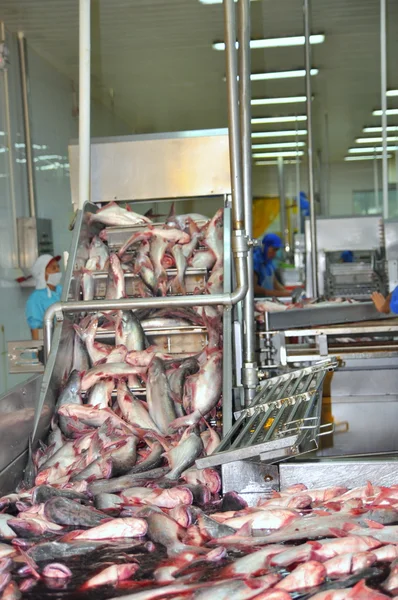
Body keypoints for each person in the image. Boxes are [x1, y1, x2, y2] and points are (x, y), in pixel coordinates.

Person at [26, 254, 62, 340]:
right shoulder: (35, 298)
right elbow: (36, 330)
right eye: (53, 268)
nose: (57, 270)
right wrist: (42, 352)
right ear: (42, 273)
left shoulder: (61, 290)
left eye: (58, 267)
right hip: (48, 344)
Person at [253, 233, 290, 298]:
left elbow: (274, 283)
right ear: (266, 247)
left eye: (276, 250)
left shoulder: (268, 261)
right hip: (258, 301)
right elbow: (254, 288)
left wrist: (287, 292)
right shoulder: (255, 260)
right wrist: (275, 293)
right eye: (273, 249)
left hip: (268, 299)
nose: (275, 254)